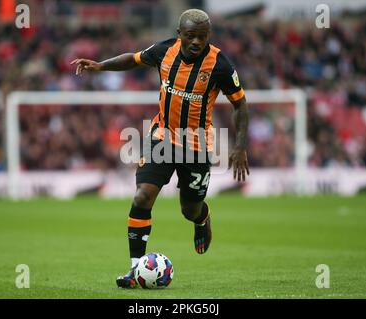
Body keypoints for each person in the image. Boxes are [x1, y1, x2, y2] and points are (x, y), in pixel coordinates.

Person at [71, 8, 249, 288]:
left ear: (208, 36)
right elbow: (134, 59)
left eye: (201, 37)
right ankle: (135, 269)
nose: (195, 43)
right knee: (143, 196)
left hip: (197, 145)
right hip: (162, 138)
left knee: (189, 210)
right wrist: (101, 65)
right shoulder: (165, 50)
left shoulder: (220, 65)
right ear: (179, 35)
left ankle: (203, 218)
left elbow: (239, 104)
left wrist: (239, 146)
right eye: (190, 36)